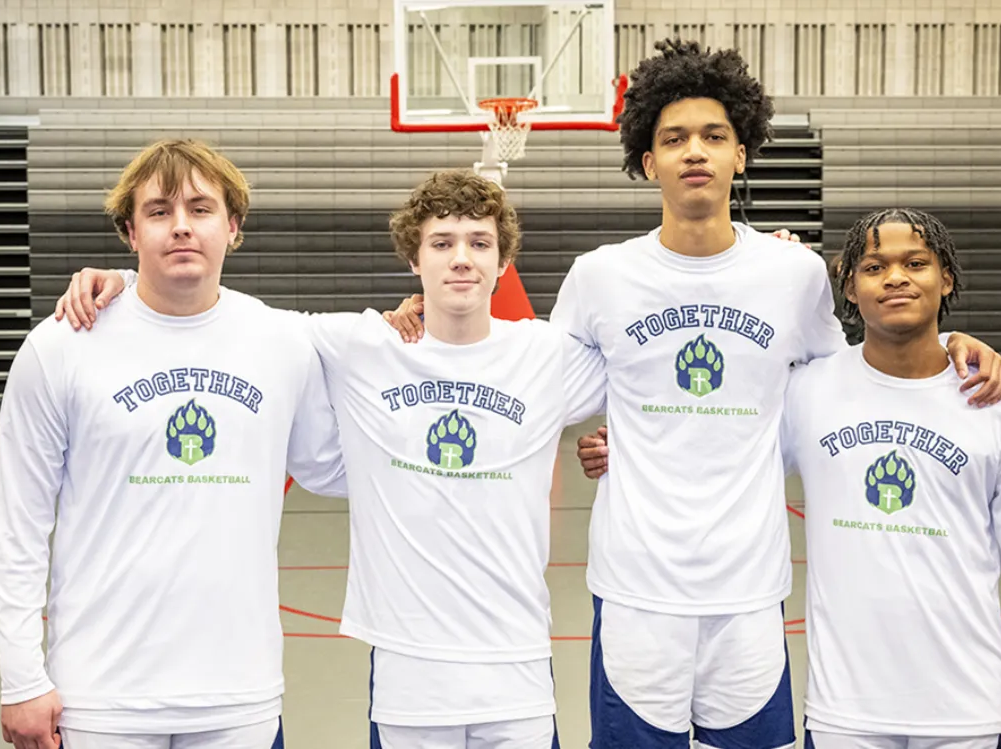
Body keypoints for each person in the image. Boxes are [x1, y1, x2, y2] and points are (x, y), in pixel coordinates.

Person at [424, 38, 1001, 749]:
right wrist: (424, 311)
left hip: (749, 591)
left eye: (713, 136)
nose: (694, 151)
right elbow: (524, 370)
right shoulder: (601, 275)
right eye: (674, 139)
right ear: (648, 161)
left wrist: (949, 346)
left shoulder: (792, 274)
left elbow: (855, 380)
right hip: (636, 590)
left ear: (741, 153)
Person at [53, 169, 608, 749]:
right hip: (407, 679)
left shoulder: (546, 355)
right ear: (414, 260)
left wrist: (618, 441)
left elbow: (644, 381)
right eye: (442, 244)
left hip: (518, 671)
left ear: (503, 260)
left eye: (480, 243)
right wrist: (123, 282)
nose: (461, 259)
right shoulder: (361, 345)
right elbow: (228, 316)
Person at [580, 208, 1001, 749]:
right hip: (842, 715)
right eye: (875, 267)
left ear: (946, 278)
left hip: (968, 712)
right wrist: (624, 445)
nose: (896, 278)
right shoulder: (808, 393)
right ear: (849, 288)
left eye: (916, 263)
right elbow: (717, 436)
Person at [0, 140, 346, 749]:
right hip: (101, 699)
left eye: (201, 209)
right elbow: (18, 528)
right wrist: (21, 678)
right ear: (130, 233)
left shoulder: (282, 341)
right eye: (159, 211)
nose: (181, 226)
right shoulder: (62, 346)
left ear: (233, 227)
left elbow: (333, 469)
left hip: (239, 697)